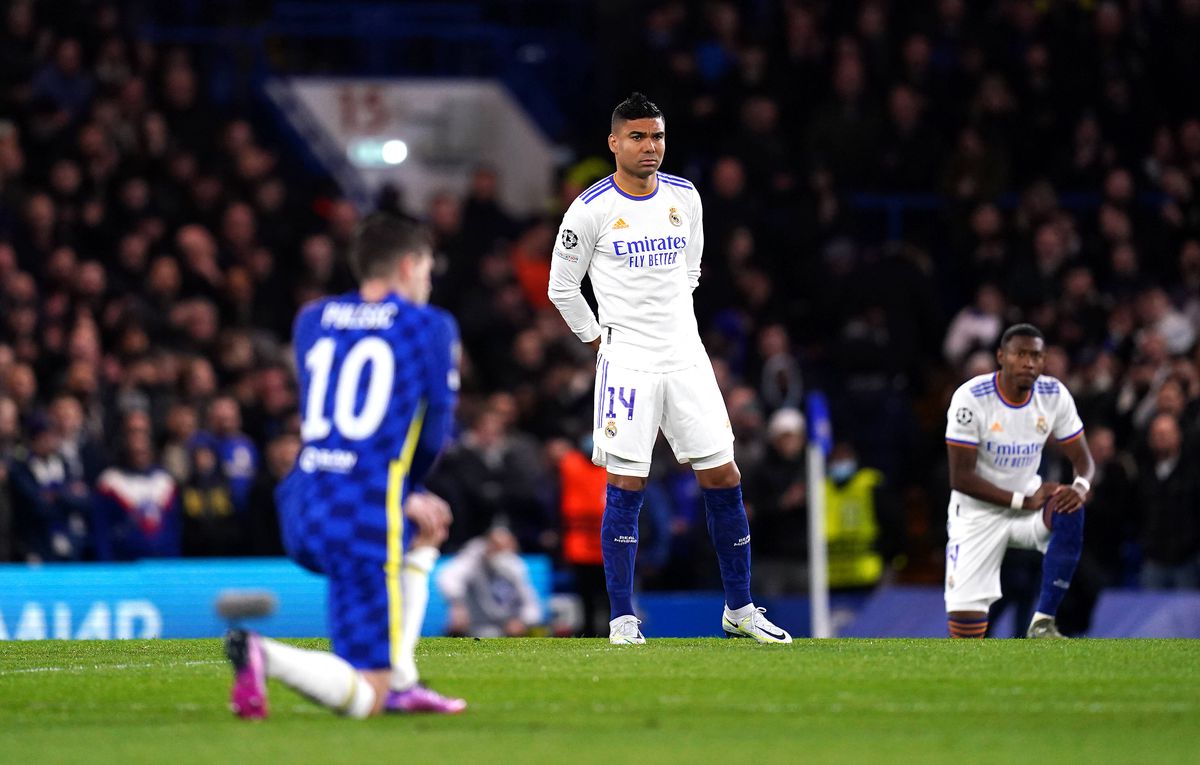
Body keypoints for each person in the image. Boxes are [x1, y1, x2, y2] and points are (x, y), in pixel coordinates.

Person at [547, 92, 791, 645]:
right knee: (627, 483)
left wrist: (670, 326)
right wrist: (598, 340)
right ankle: (622, 619)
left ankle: (740, 609)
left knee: (724, 476)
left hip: (686, 358)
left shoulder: (686, 197)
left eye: (656, 136)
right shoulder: (590, 209)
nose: (650, 146)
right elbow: (561, 287)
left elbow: (691, 271)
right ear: (614, 143)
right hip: (627, 363)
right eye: (637, 137)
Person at [224, 213, 466, 718]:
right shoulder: (430, 326)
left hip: (303, 495)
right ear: (407, 264)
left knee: (424, 533)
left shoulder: (312, 317)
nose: (427, 281)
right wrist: (406, 488)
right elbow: (435, 432)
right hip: (361, 512)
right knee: (365, 697)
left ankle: (402, 677)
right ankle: (263, 654)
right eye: (426, 269)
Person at [943, 324, 1095, 639]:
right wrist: (1020, 500)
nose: (1028, 362)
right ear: (1001, 356)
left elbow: (1084, 462)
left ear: (1044, 361)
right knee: (966, 632)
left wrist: (1080, 487)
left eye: (1036, 356)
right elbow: (960, 478)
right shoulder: (971, 398)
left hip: (1028, 510)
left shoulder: (1053, 395)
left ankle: (1043, 623)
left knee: (1070, 507)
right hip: (976, 515)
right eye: (1020, 354)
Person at [437, 526, 544, 637]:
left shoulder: (515, 566)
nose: (499, 551)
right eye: (495, 545)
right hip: (477, 628)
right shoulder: (473, 559)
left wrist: (522, 622)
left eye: (504, 547)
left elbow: (532, 606)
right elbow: (448, 577)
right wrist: (457, 604)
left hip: (509, 630)